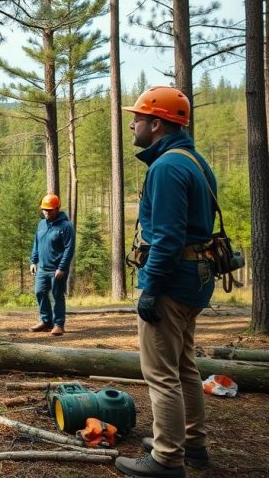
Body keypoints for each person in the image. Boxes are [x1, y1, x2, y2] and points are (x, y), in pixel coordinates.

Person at [114, 86, 215, 478]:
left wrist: (151, 287)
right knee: (184, 365)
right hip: (193, 280)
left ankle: (167, 457)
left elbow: (169, 237)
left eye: (138, 118)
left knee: (161, 373)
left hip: (172, 282)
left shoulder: (168, 167)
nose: (133, 123)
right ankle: (192, 443)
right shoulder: (192, 160)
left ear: (157, 124)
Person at [28, 194, 75, 336]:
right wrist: (33, 261)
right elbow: (36, 243)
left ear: (57, 208)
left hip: (57, 269)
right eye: (44, 210)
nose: (47, 212)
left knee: (57, 295)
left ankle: (59, 324)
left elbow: (69, 248)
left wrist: (62, 268)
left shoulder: (66, 226)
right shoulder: (41, 224)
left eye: (50, 210)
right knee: (39, 292)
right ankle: (45, 321)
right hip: (42, 267)